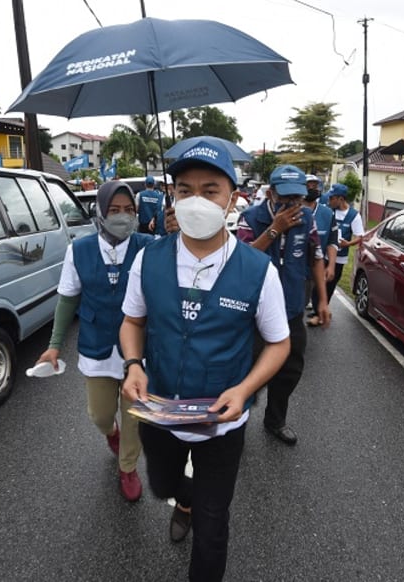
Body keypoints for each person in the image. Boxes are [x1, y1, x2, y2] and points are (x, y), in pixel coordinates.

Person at [120, 138, 291, 582]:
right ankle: (184, 498)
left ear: (233, 199)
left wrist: (245, 389)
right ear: (173, 196)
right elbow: (132, 321)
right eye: (185, 190)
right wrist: (134, 364)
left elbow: (279, 344)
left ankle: (200, 513)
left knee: (213, 527)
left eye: (210, 190)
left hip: (222, 421)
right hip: (160, 411)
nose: (196, 200)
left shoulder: (258, 271)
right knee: (161, 484)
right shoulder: (148, 259)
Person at [35, 181, 153, 502]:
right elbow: (67, 300)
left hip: (139, 350)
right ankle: (111, 433)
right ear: (99, 212)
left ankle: (128, 467)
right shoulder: (79, 250)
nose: (122, 216)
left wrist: (176, 231)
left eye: (128, 210)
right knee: (99, 414)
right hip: (96, 345)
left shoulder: (150, 247)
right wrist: (54, 345)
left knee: (135, 416)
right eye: (114, 210)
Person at [237, 164, 330, 446]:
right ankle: (236, 419)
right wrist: (274, 230)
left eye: (297, 198)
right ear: (271, 193)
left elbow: (316, 257)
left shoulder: (307, 218)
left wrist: (323, 300)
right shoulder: (250, 218)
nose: (292, 204)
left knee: (291, 369)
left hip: (290, 307)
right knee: (245, 368)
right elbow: (242, 260)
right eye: (285, 197)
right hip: (252, 312)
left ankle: (275, 420)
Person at [325, 183, 365, 303]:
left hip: (339, 258)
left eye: (332, 198)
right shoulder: (328, 210)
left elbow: (359, 236)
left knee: (330, 285)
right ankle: (317, 305)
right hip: (324, 254)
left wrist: (348, 244)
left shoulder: (354, 216)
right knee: (318, 283)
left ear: (341, 199)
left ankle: (322, 307)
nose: (329, 200)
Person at [304, 188, 338, 326]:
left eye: (315, 185)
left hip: (314, 270)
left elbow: (332, 241)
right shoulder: (290, 210)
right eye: (308, 184)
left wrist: (331, 265)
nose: (312, 188)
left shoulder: (327, 214)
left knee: (304, 302)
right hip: (292, 271)